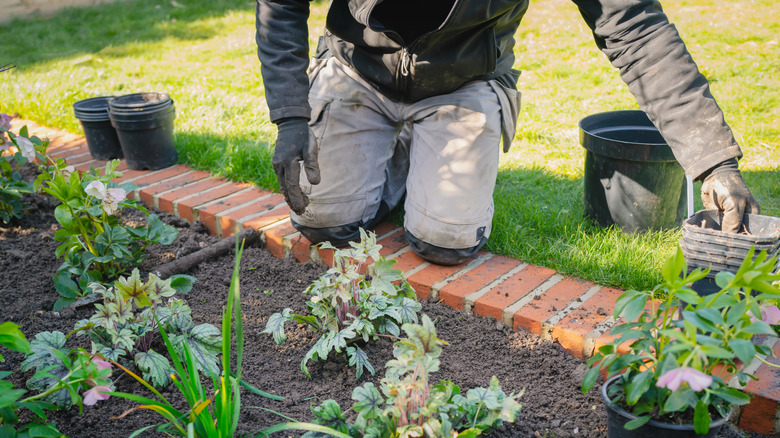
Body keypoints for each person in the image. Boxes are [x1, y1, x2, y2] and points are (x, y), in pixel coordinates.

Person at [255, 0, 760, 266]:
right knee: (322, 224)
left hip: (462, 79)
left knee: (445, 244)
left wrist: (713, 160)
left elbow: (635, 28)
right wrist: (291, 116)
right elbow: (280, 4)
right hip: (357, 67)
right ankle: (396, 145)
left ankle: (415, 148)